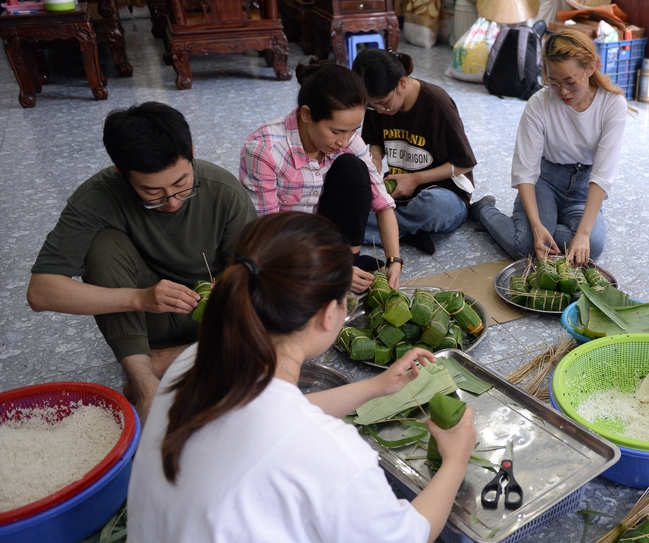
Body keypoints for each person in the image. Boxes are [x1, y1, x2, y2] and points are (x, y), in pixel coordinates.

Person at [117, 212, 484, 543]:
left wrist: (375, 387)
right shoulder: (323, 447)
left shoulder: (195, 362)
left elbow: (272, 420)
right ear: (329, 316)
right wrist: (456, 458)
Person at [26, 102, 256, 424]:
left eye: (181, 185)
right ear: (122, 172)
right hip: (146, 318)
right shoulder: (97, 197)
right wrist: (139, 298)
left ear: (191, 152)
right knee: (103, 245)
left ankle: (168, 359)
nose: (173, 202)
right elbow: (40, 292)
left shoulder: (223, 191)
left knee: (278, 319)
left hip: (214, 316)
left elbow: (258, 273)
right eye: (154, 193)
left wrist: (232, 287)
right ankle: (146, 382)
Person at [239, 60, 403, 293]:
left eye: (352, 130)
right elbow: (267, 235)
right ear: (306, 114)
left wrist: (394, 260)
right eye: (336, 131)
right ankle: (339, 268)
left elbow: (382, 201)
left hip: (325, 232)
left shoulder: (347, 141)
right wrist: (326, 267)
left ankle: (350, 260)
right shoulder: (264, 151)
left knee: (353, 168)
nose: (344, 141)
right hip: (285, 245)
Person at [472, 28, 629, 265]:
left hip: (583, 187)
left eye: (571, 82)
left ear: (591, 66)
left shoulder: (612, 104)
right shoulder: (539, 103)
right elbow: (525, 170)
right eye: (554, 83)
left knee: (592, 246)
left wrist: (584, 234)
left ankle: (547, 223)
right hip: (545, 181)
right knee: (525, 245)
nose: (563, 92)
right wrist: (536, 226)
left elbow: (602, 175)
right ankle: (484, 211)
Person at [353, 48, 482, 257]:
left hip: (445, 192)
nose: (379, 110)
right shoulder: (378, 104)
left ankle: (391, 229)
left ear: (402, 83)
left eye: (384, 103)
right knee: (347, 202)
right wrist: (375, 158)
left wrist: (414, 179)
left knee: (432, 209)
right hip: (399, 191)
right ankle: (408, 233)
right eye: (372, 105)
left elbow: (464, 164)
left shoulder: (437, 103)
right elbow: (375, 141)